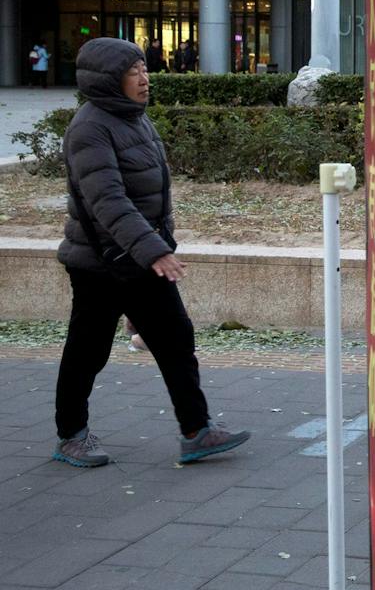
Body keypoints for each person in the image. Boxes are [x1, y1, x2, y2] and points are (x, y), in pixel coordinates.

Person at [52, 37, 249, 468]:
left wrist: (157, 246)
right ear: (109, 79)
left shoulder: (132, 118)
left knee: (176, 339)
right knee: (88, 351)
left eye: (144, 69)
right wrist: (155, 251)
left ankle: (196, 430)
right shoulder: (90, 127)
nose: (145, 79)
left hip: (139, 257)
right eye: (134, 72)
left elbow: (150, 191)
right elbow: (108, 201)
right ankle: (71, 435)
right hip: (100, 264)